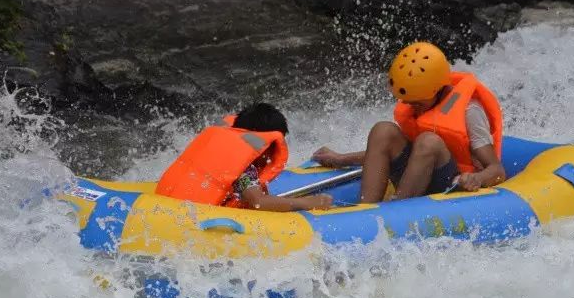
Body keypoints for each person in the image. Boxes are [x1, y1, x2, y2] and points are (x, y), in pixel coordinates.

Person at [312, 42, 506, 203]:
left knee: (428, 141)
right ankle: (365, 208)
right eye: (409, 103)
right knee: (383, 130)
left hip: (450, 183)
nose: (414, 108)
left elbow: (497, 170)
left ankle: (398, 209)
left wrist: (476, 179)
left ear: (437, 89)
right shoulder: (418, 101)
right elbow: (395, 154)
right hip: (415, 174)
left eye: (418, 103)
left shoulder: (469, 111)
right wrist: (340, 159)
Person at [156, 102, 333, 211]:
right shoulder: (243, 168)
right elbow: (258, 202)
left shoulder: (218, 148)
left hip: (169, 204)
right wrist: (307, 203)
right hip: (195, 217)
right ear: (261, 142)